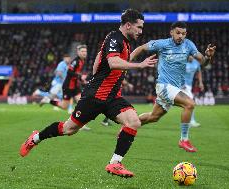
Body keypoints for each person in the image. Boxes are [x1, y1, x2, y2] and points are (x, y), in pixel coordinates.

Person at [19, 9, 158, 178]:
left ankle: (114, 164)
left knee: (133, 122)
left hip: (112, 97)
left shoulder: (126, 42)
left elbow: (99, 58)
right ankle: (35, 138)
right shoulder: (114, 38)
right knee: (68, 129)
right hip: (95, 96)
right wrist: (140, 65)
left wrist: (99, 75)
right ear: (128, 25)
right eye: (139, 27)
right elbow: (113, 62)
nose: (140, 31)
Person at [130, 21, 216, 152]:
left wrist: (208, 57)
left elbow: (203, 63)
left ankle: (128, 127)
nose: (180, 36)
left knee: (153, 117)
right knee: (190, 104)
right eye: (178, 33)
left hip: (175, 88)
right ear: (171, 32)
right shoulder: (162, 44)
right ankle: (184, 140)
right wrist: (126, 63)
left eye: (183, 33)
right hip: (164, 85)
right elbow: (141, 48)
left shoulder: (189, 45)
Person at [42, 45, 88, 114]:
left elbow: (76, 73)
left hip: (75, 86)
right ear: (78, 52)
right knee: (64, 106)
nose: (84, 53)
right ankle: (48, 100)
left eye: (85, 51)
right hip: (68, 86)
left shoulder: (82, 61)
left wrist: (82, 80)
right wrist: (80, 76)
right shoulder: (75, 61)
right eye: (82, 51)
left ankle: (78, 119)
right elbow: (69, 72)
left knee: (82, 103)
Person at [182, 56, 204, 127]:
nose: (191, 57)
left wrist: (200, 82)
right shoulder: (182, 62)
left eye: (192, 56)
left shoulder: (196, 63)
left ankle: (188, 121)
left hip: (189, 86)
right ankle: (191, 121)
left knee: (187, 104)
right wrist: (181, 83)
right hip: (182, 85)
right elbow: (178, 73)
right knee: (191, 102)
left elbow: (199, 72)